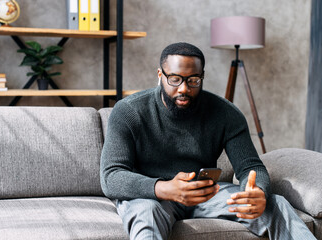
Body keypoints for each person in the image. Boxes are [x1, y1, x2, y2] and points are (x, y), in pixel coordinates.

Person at [100, 42, 316, 240]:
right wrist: (165, 188)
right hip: (151, 196)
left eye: (193, 80)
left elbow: (250, 166)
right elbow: (111, 176)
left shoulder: (226, 114)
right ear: (160, 75)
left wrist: (257, 191)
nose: (184, 88)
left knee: (274, 204)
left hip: (205, 194)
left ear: (202, 76)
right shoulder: (129, 111)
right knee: (146, 213)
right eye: (174, 79)